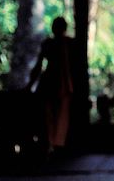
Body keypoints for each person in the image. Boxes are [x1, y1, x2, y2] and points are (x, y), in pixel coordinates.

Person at [27, 17, 75, 154]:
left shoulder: (69, 44)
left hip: (63, 84)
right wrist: (30, 84)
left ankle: (57, 145)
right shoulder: (49, 44)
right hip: (52, 84)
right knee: (51, 117)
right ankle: (52, 145)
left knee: (59, 117)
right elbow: (39, 65)